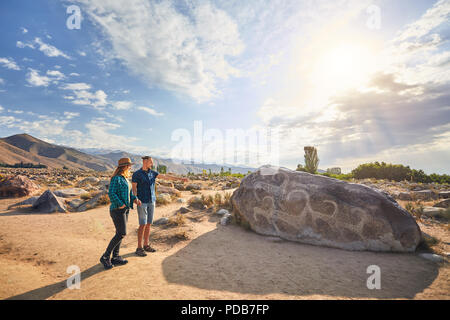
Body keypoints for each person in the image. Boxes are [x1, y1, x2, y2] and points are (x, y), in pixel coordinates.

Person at [132, 156, 188, 256]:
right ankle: (139, 248)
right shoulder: (137, 174)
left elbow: (165, 177)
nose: (152, 164)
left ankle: (146, 245)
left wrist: (180, 179)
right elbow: (134, 188)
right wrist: (135, 198)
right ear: (145, 162)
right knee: (142, 224)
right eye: (151, 162)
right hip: (142, 201)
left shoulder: (153, 173)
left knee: (149, 224)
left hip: (151, 201)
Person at [100, 157, 141, 269]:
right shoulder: (116, 179)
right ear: (124, 166)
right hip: (117, 210)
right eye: (129, 165)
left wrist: (135, 199)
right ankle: (105, 257)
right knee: (121, 233)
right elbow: (111, 193)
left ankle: (116, 257)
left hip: (125, 209)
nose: (130, 167)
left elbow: (129, 194)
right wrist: (120, 204)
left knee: (120, 233)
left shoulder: (125, 179)